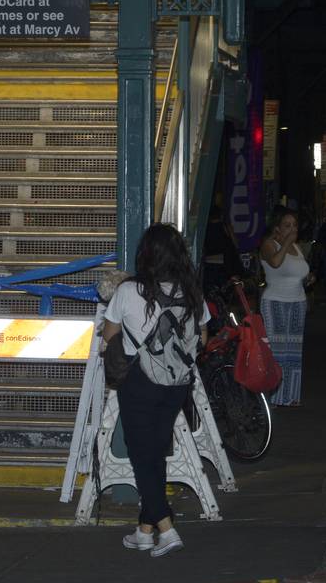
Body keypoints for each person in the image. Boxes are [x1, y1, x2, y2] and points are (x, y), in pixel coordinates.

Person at [101, 224, 209, 558]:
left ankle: (166, 526)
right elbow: (202, 338)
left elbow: (108, 336)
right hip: (177, 384)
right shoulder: (191, 291)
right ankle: (144, 532)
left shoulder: (129, 290)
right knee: (155, 455)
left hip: (139, 382)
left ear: (146, 255)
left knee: (141, 455)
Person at [259, 208, 313, 407]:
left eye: (295, 225)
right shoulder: (268, 245)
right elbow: (274, 263)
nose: (292, 230)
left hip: (297, 301)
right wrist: (287, 243)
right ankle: (273, 396)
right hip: (275, 302)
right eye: (287, 226)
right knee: (277, 349)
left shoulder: (297, 248)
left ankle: (291, 395)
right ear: (277, 228)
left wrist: (308, 278)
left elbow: (299, 272)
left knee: (293, 350)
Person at [202, 205, 245, 293]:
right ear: (221, 215)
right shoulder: (225, 227)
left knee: (212, 292)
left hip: (209, 266)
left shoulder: (205, 229)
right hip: (226, 265)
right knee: (226, 292)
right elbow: (235, 244)